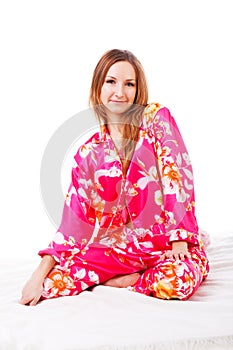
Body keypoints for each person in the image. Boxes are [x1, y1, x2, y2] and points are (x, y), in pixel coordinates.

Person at [20, 49, 209, 306]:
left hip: (166, 242)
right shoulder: (88, 153)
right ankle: (120, 276)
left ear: (137, 89)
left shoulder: (156, 119)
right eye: (111, 81)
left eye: (129, 84)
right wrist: (37, 275)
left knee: (177, 281)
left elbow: (177, 176)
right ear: (98, 87)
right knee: (53, 285)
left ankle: (126, 281)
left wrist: (180, 240)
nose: (120, 92)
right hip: (119, 249)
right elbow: (72, 227)